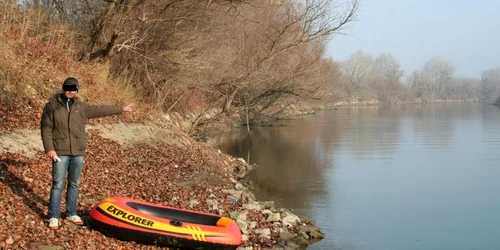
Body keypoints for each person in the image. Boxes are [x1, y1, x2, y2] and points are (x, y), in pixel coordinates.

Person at [40, 77, 133, 229]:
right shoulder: (52, 106)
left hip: (78, 151)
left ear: (77, 90)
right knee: (58, 184)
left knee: (74, 184)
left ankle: (71, 213)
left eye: (73, 88)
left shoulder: (81, 107)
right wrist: (50, 148)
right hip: (60, 151)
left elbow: (101, 110)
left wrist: (121, 109)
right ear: (63, 88)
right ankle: (54, 216)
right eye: (68, 88)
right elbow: (46, 129)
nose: (70, 91)